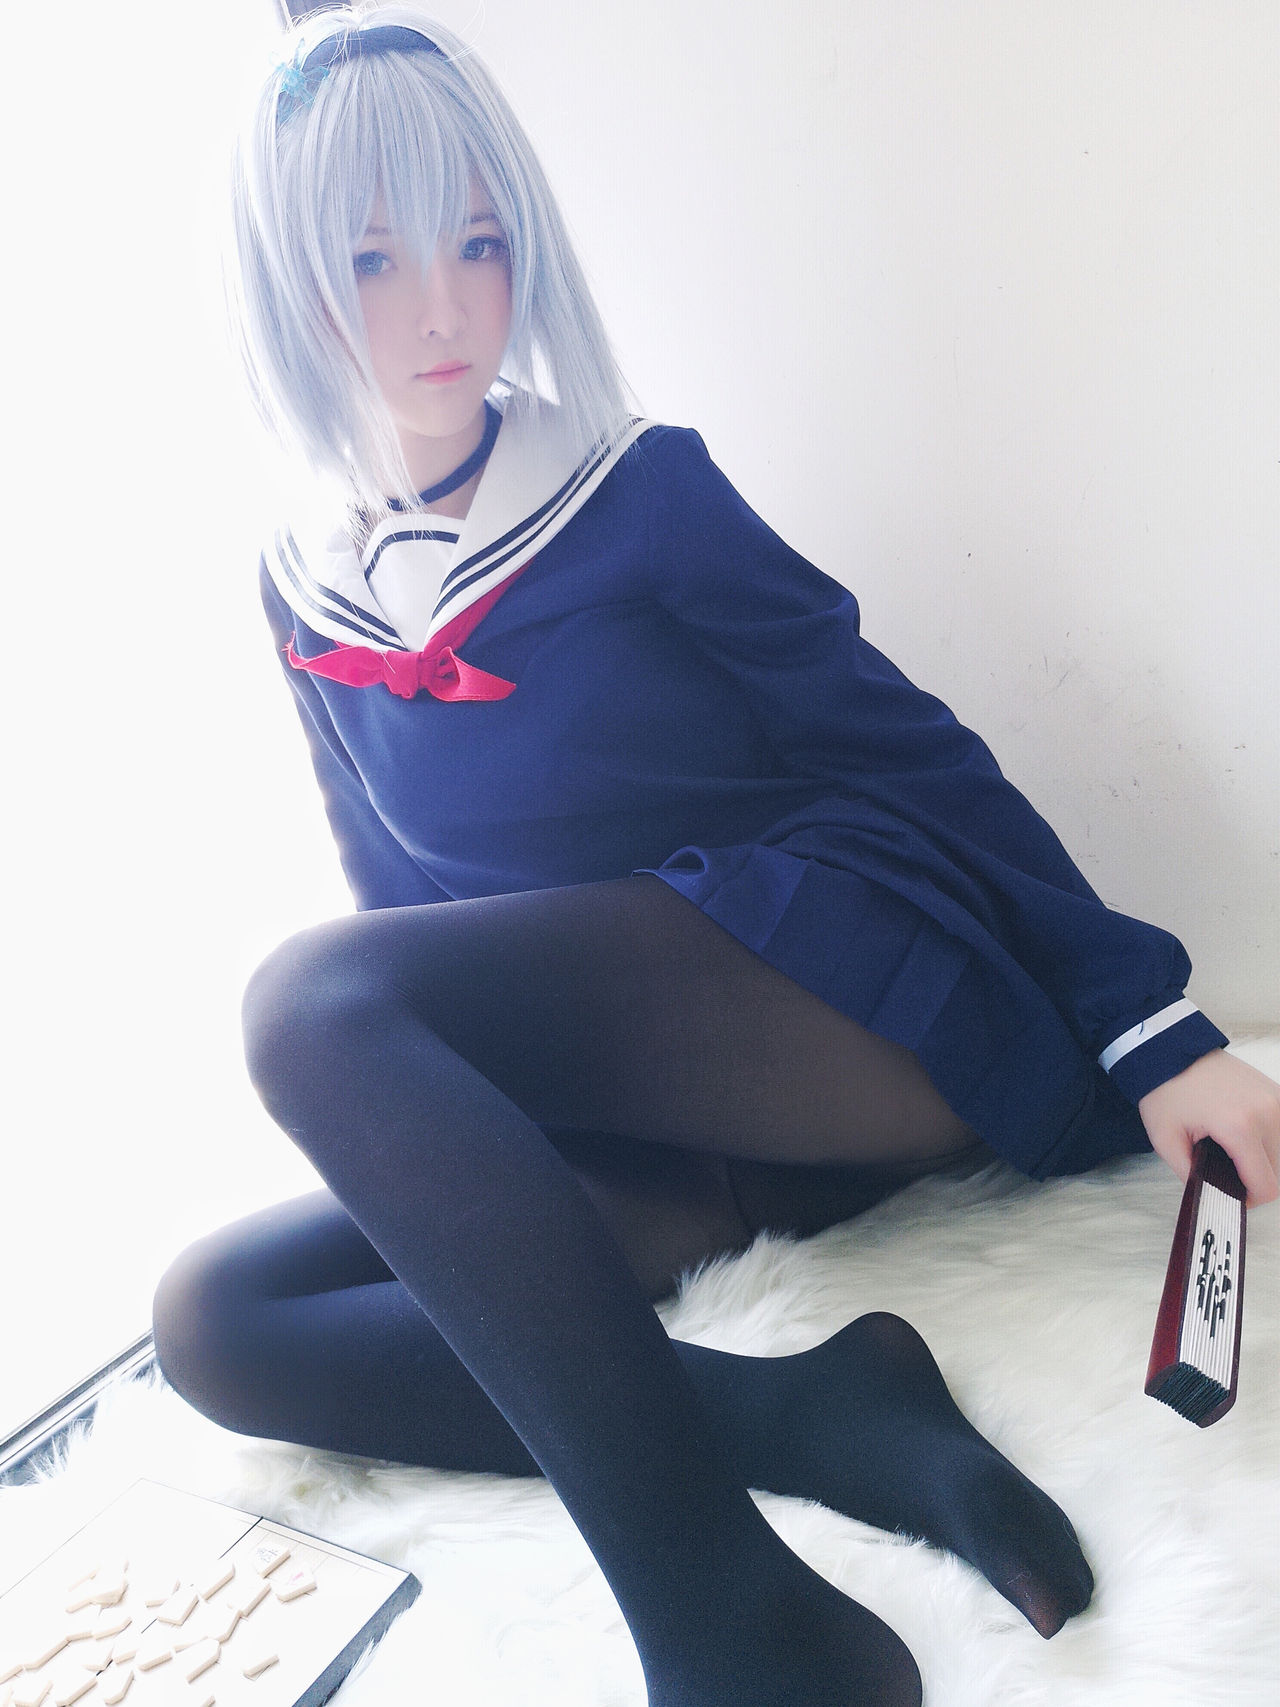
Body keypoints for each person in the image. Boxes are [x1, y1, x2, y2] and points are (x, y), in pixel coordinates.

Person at [151, 7, 1280, 1704]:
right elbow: (399, 895)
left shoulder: (635, 492)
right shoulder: (299, 579)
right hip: (670, 1132)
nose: (444, 307)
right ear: (282, 281)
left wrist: (1154, 1025)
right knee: (216, 1322)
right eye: (374, 261)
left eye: (479, 243)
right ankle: (814, 1412)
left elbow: (904, 745)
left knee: (305, 1001)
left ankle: (729, 1618)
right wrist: (456, 1157)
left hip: (841, 1006)